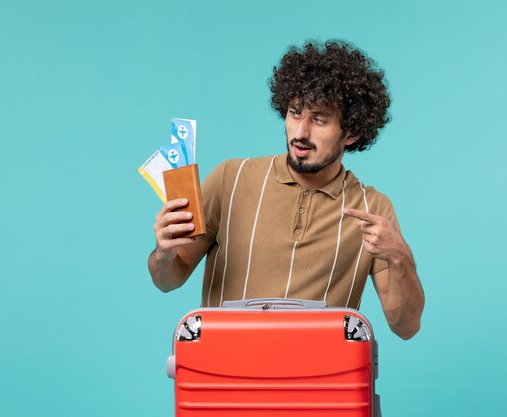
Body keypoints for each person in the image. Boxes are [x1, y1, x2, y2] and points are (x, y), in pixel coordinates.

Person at [148, 40, 424, 340]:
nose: (301, 133)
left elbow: (406, 327)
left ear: (352, 132)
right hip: (225, 372)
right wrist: (164, 255)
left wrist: (401, 258)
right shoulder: (230, 178)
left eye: (319, 119)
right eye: (295, 113)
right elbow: (167, 280)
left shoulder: (373, 210)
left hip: (318, 381)